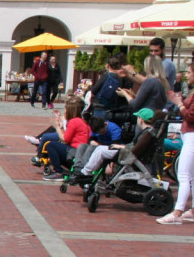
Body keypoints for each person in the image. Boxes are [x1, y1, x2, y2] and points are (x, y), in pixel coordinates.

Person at [73, 108, 157, 182]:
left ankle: (85, 172)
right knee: (99, 148)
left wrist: (121, 146)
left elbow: (135, 147)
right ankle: (82, 169)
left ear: (141, 120)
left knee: (101, 151)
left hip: (127, 153)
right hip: (127, 151)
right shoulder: (147, 132)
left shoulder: (146, 134)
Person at [157, 62, 194, 224]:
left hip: (192, 135)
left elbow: (191, 116)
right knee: (191, 176)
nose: (187, 75)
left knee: (184, 175)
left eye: (189, 72)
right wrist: (179, 100)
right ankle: (192, 210)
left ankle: (177, 212)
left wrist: (179, 104)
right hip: (189, 135)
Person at [40, 100, 91, 180]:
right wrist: (60, 127)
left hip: (75, 151)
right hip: (79, 150)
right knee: (55, 144)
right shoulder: (80, 121)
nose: (64, 112)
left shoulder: (74, 122)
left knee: (51, 145)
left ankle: (58, 172)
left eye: (66, 109)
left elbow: (65, 139)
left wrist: (57, 127)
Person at [89, 54, 132, 119]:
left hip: (100, 107)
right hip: (113, 109)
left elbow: (94, 90)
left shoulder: (106, 75)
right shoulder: (120, 78)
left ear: (108, 65)